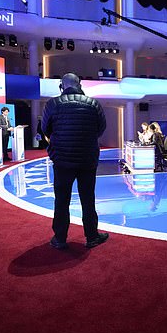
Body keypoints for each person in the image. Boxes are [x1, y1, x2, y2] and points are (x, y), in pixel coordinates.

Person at [42, 73, 107, 250]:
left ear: (62, 86)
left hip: (62, 159)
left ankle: (60, 238)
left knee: (62, 200)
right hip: (87, 159)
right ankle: (92, 237)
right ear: (80, 85)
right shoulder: (93, 104)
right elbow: (100, 129)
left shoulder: (52, 104)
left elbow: (45, 129)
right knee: (88, 199)